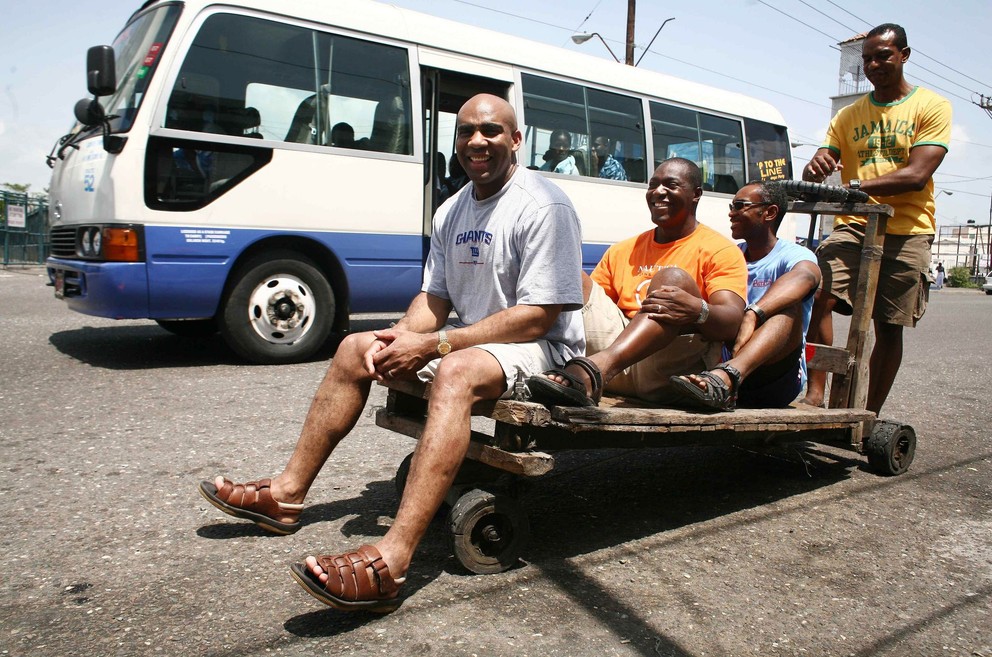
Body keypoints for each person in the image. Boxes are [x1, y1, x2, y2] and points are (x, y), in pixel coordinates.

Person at [198, 94, 585, 613]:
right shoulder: (452, 209)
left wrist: (436, 343)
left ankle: (392, 560)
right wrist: (399, 336)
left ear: (516, 140)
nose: (476, 141)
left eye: (491, 131)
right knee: (354, 347)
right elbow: (435, 300)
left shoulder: (544, 206)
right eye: (466, 131)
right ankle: (285, 495)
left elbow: (537, 316)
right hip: (477, 338)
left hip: (542, 348)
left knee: (455, 370)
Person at [800, 23, 951, 414]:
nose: (872, 65)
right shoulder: (848, 116)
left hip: (908, 229)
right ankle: (815, 396)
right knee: (821, 295)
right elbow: (822, 160)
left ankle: (868, 414)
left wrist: (854, 185)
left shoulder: (931, 106)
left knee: (888, 325)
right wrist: (816, 166)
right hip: (853, 225)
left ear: (904, 55)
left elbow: (916, 175)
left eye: (882, 56)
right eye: (866, 59)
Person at [527, 157, 746, 407]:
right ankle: (545, 360)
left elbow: (731, 323)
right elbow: (592, 312)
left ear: (696, 194)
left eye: (671, 185)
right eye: (653, 185)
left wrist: (698, 309)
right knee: (572, 275)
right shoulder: (623, 250)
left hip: (666, 369)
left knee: (672, 278)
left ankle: (597, 370)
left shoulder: (720, 250)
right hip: (616, 363)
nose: (658, 192)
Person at [668, 181, 821, 410]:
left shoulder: (794, 255)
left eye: (740, 206)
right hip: (718, 361)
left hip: (773, 378)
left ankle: (727, 377)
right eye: (732, 206)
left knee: (788, 307)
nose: (731, 213)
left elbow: (806, 276)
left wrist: (754, 313)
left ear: (769, 212)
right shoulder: (730, 254)